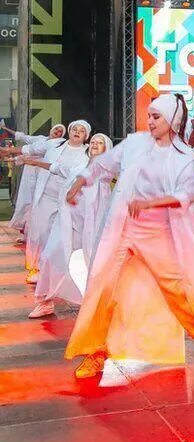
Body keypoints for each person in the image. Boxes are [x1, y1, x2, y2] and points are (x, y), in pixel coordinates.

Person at [63, 93, 194, 380]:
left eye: (157, 116)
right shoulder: (135, 143)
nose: (150, 120)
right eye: (150, 115)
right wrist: (81, 181)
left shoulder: (182, 155)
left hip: (158, 233)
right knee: (102, 286)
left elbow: (187, 196)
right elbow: (104, 163)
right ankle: (94, 352)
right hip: (121, 228)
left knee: (183, 290)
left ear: (172, 120)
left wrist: (150, 203)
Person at [28, 132, 113, 319]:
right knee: (50, 258)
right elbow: (57, 168)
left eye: (100, 143)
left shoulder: (106, 170)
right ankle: (45, 301)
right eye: (92, 142)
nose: (94, 145)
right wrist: (34, 162)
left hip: (91, 230)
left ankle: (97, 304)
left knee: (91, 266)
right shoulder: (78, 166)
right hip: (68, 225)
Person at [15, 120, 91, 288]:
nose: (77, 132)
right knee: (39, 232)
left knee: (61, 237)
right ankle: (35, 268)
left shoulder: (88, 153)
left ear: (86, 136)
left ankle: (58, 271)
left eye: (82, 130)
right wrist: (9, 151)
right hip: (46, 196)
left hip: (69, 201)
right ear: (69, 131)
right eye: (74, 129)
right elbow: (30, 149)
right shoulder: (54, 145)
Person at [0, 122, 67, 238]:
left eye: (61, 131)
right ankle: (25, 232)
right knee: (26, 200)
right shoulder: (40, 139)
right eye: (56, 129)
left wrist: (11, 153)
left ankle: (37, 235)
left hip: (46, 176)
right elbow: (26, 142)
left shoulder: (60, 146)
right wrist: (5, 131)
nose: (58, 132)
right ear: (51, 130)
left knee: (39, 205)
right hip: (30, 172)